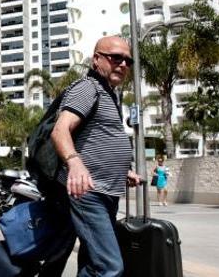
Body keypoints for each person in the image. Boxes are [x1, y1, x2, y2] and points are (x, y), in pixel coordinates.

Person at [44, 36, 141, 277]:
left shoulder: (111, 94)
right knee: (110, 266)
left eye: (128, 61)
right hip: (89, 193)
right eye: (116, 57)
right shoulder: (88, 87)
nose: (123, 64)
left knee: (91, 264)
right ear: (97, 59)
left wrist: (123, 171)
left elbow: (98, 139)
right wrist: (74, 162)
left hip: (108, 191)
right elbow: (60, 129)